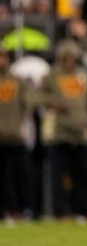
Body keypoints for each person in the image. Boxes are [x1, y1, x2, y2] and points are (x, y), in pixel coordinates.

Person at [39, 40, 87, 220]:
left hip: (82, 133)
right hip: (59, 132)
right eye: (67, 58)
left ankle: (83, 210)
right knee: (58, 175)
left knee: (83, 174)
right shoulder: (52, 76)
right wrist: (51, 103)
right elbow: (37, 95)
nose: (70, 61)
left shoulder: (85, 76)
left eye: (73, 58)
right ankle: (60, 210)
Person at [0, 50, 31, 220]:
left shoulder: (17, 81)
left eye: (2, 56)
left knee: (20, 176)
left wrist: (21, 124)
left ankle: (21, 209)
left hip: (15, 135)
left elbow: (28, 103)